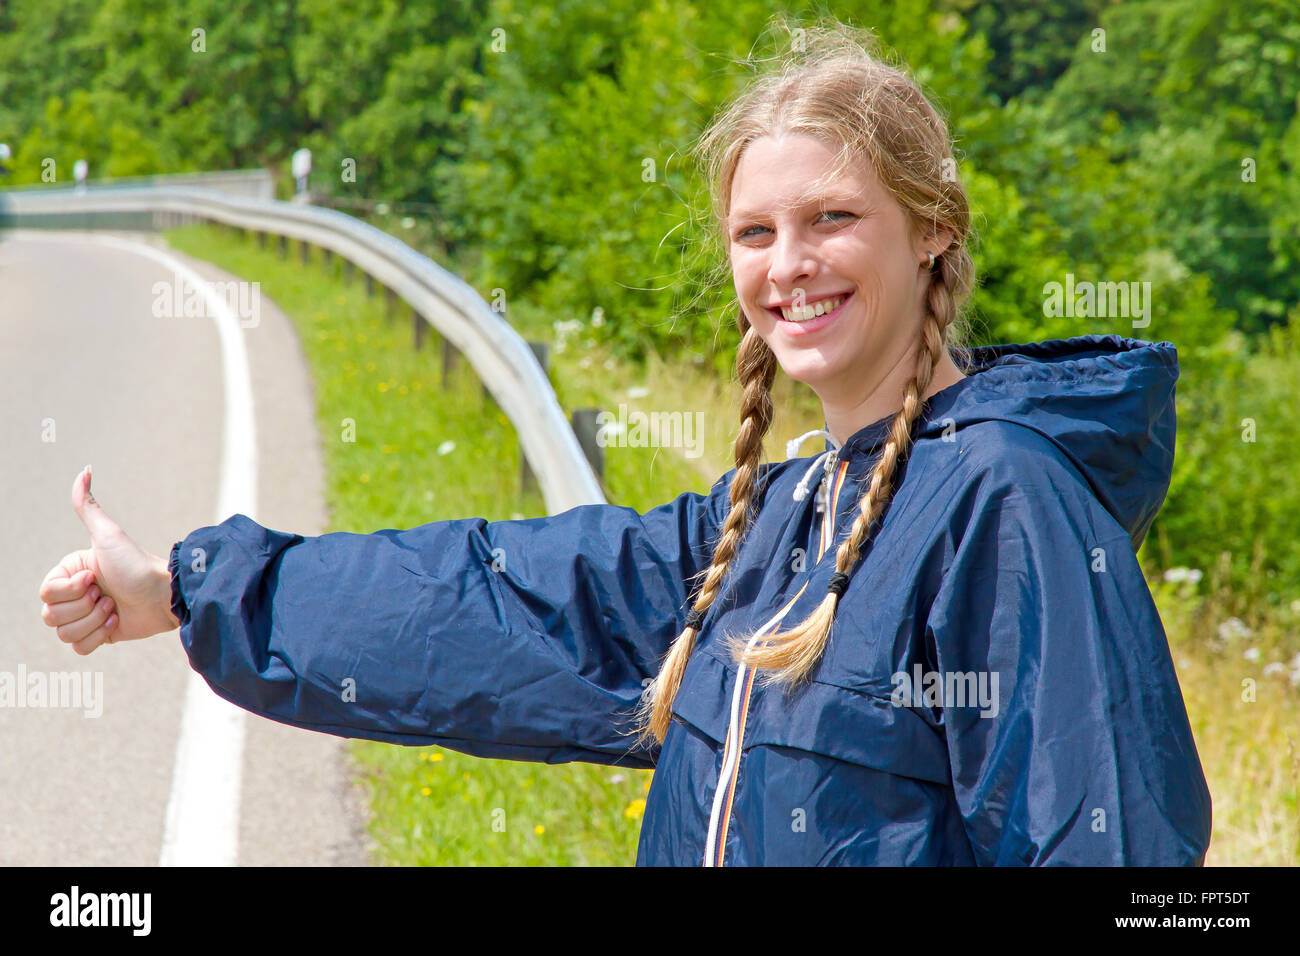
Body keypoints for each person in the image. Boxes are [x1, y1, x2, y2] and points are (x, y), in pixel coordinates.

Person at [37, 19, 1211, 866]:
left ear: (933, 226)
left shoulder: (1005, 501)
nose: (787, 264)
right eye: (756, 231)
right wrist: (195, 593)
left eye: (833, 218)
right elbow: (486, 603)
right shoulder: (772, 518)